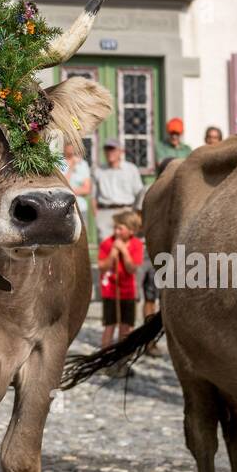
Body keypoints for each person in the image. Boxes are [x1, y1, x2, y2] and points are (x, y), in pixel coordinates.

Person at [98, 211, 143, 353]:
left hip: (128, 291)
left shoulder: (136, 245)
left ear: (131, 231)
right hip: (110, 290)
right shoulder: (107, 243)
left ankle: (123, 356)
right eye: (115, 228)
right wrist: (112, 254)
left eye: (120, 228)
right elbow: (101, 267)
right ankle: (105, 356)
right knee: (110, 325)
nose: (116, 231)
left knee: (126, 326)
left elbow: (132, 269)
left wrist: (124, 251)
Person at [91, 139, 144, 240]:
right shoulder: (98, 170)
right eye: (107, 149)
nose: (110, 152)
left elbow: (139, 193)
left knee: (127, 247)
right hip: (105, 213)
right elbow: (93, 195)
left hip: (126, 211)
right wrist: (96, 214)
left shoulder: (131, 169)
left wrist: (137, 214)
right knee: (106, 247)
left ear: (121, 151)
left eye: (113, 149)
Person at [59, 140, 92, 237]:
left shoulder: (83, 164)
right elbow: (62, 185)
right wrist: (71, 168)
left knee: (82, 236)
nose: (72, 146)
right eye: (69, 144)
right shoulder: (58, 163)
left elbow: (87, 189)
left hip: (80, 207)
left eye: (74, 144)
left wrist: (69, 190)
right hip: (63, 207)